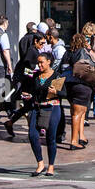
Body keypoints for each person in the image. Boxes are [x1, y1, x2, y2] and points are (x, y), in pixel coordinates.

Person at [66, 33, 95, 149]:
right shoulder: (83, 52)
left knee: (80, 112)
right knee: (77, 113)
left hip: (70, 84)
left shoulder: (68, 53)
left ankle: (81, 136)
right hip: (82, 85)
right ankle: (74, 141)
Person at [25, 48, 64, 176]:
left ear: (49, 62)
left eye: (42, 62)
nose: (39, 65)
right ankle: (40, 163)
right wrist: (28, 95)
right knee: (32, 135)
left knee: (50, 137)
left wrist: (56, 92)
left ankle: (51, 166)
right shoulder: (36, 75)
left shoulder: (56, 75)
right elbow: (32, 90)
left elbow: (65, 93)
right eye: (38, 63)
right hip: (37, 107)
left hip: (52, 107)